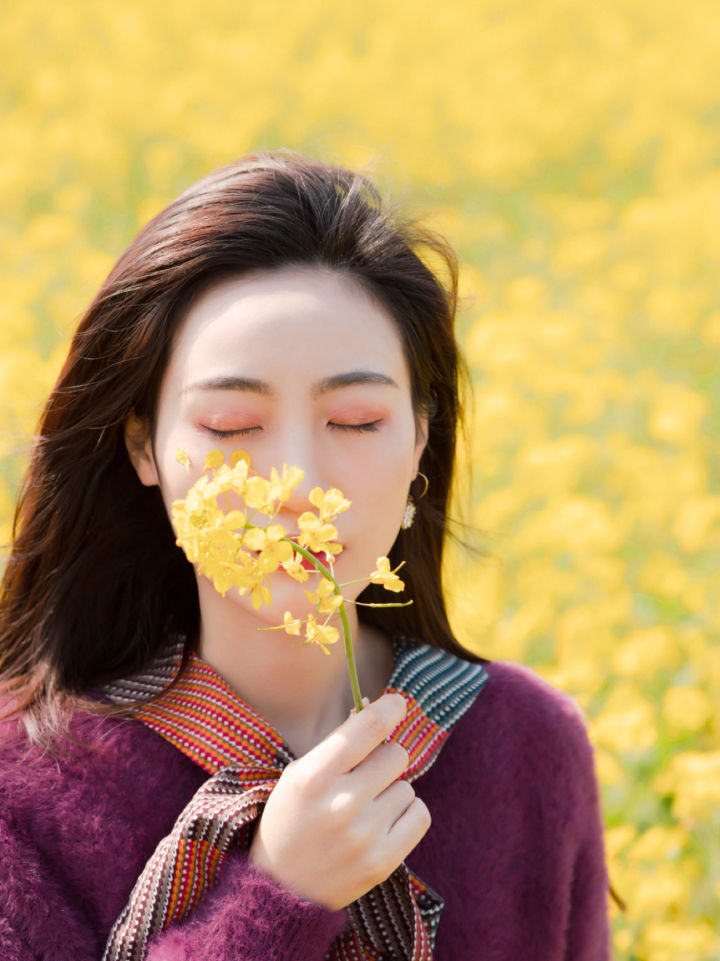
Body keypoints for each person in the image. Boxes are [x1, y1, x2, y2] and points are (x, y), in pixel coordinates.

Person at [0, 152, 611, 960]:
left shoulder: (528, 739)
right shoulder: (26, 786)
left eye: (356, 421)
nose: (299, 482)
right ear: (145, 447)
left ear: (420, 440)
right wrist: (279, 896)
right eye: (229, 425)